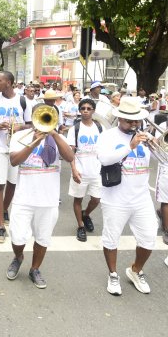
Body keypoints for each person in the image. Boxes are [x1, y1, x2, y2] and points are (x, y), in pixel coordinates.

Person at [6, 106, 74, 287]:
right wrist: (34, 143)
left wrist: (55, 135)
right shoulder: (20, 136)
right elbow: (14, 161)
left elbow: (69, 156)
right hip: (24, 198)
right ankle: (18, 256)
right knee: (17, 237)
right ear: (34, 117)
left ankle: (34, 269)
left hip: (48, 199)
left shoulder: (59, 139)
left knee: (43, 238)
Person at [96, 97, 158, 296]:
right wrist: (130, 146)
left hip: (141, 197)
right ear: (120, 118)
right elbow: (105, 159)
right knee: (111, 238)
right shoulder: (108, 136)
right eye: (129, 121)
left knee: (149, 238)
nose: (134, 124)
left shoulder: (143, 136)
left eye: (136, 121)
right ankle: (113, 274)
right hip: (115, 197)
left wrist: (155, 146)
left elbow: (162, 161)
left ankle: (135, 270)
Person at [0, 70, 32, 243]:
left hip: (16, 147)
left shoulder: (23, 100)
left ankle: (4, 209)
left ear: (9, 83)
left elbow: (32, 125)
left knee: (12, 184)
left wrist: (19, 127)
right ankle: (0, 226)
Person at [67, 98, 103, 242]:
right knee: (78, 199)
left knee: (96, 199)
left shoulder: (100, 127)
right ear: (80, 110)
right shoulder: (74, 129)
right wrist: (74, 170)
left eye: (89, 108)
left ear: (93, 110)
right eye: (83, 108)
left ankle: (86, 214)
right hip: (81, 170)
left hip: (97, 170)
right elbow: (71, 152)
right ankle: (80, 226)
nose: (86, 111)